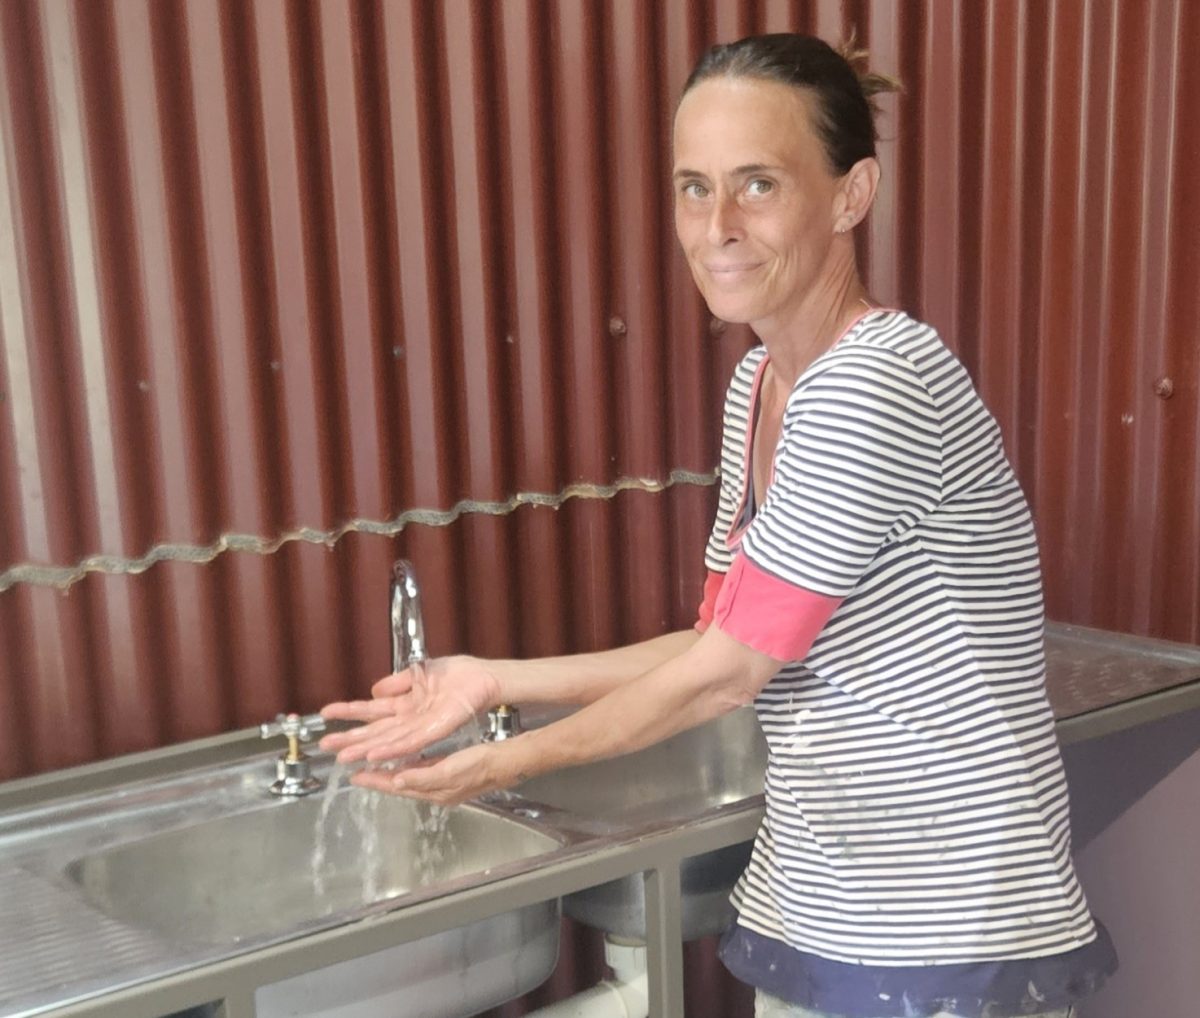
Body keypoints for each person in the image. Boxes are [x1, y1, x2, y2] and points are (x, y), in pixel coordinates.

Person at [321, 33, 1116, 1018]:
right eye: (694, 188)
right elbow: (722, 639)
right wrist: (491, 679)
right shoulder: (760, 386)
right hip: (830, 894)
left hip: (942, 916)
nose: (719, 226)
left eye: (759, 185)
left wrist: (502, 761)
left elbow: (729, 675)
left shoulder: (877, 380)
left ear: (851, 195)